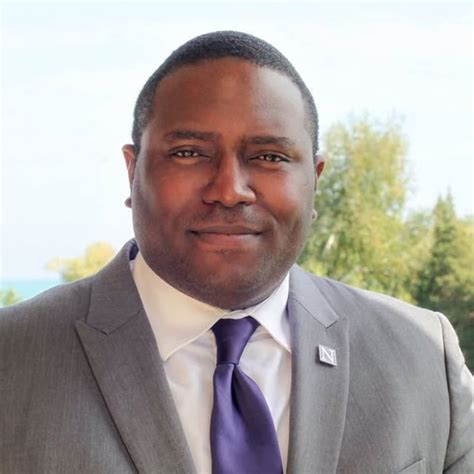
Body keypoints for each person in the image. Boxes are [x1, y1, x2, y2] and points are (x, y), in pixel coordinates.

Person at [0, 31, 472, 474]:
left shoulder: (425, 357)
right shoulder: (12, 358)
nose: (229, 190)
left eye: (269, 157)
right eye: (189, 152)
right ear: (132, 171)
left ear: (315, 182)